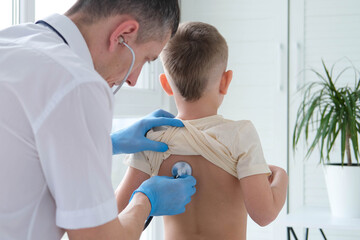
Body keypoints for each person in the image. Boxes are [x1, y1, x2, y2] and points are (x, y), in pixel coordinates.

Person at [0, 1, 197, 240]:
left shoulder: (10, 40)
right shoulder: (77, 83)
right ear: (123, 34)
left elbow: (19, 147)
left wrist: (110, 143)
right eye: (146, 58)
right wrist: (146, 200)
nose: (134, 80)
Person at [116, 22, 288, 240]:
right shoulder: (240, 135)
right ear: (225, 81)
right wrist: (281, 175)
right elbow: (264, 215)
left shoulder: (152, 139)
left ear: (166, 84)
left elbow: (116, 212)